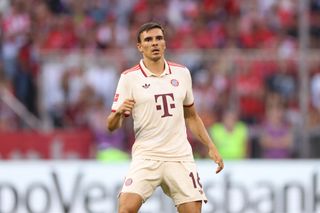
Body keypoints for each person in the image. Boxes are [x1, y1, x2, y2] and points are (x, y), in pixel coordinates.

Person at [106, 22, 224, 213]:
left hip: (179, 156)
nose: (154, 43)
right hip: (147, 156)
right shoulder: (129, 78)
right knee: (126, 209)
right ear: (140, 47)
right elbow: (112, 125)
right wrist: (118, 113)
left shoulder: (182, 73)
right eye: (148, 40)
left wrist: (211, 146)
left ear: (165, 43)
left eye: (159, 38)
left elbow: (192, 116)